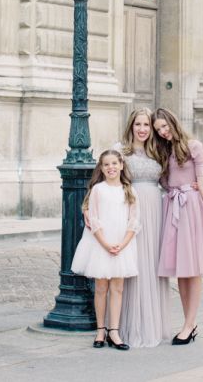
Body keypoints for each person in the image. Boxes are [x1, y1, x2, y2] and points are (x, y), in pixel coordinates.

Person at [153, 108, 203, 345]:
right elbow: (166, 184)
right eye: (158, 130)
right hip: (173, 208)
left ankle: (189, 323)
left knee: (193, 268)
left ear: (173, 122)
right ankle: (189, 322)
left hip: (192, 209)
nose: (163, 132)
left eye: (164, 126)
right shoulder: (163, 151)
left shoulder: (193, 146)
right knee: (181, 269)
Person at [113, 108, 171, 348]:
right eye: (138, 124)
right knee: (133, 262)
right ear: (131, 126)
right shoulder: (120, 150)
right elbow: (108, 176)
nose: (143, 129)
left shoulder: (159, 151)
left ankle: (152, 323)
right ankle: (127, 324)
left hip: (155, 209)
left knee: (152, 263)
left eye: (146, 125)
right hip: (130, 208)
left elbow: (167, 182)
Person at [71, 149, 139, 350]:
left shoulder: (129, 190)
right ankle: (100, 329)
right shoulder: (98, 190)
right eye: (106, 164)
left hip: (122, 244)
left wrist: (123, 244)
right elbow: (94, 219)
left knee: (118, 288)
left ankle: (114, 331)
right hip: (102, 244)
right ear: (101, 168)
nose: (111, 167)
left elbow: (134, 221)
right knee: (101, 288)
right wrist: (106, 244)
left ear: (121, 165)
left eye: (114, 163)